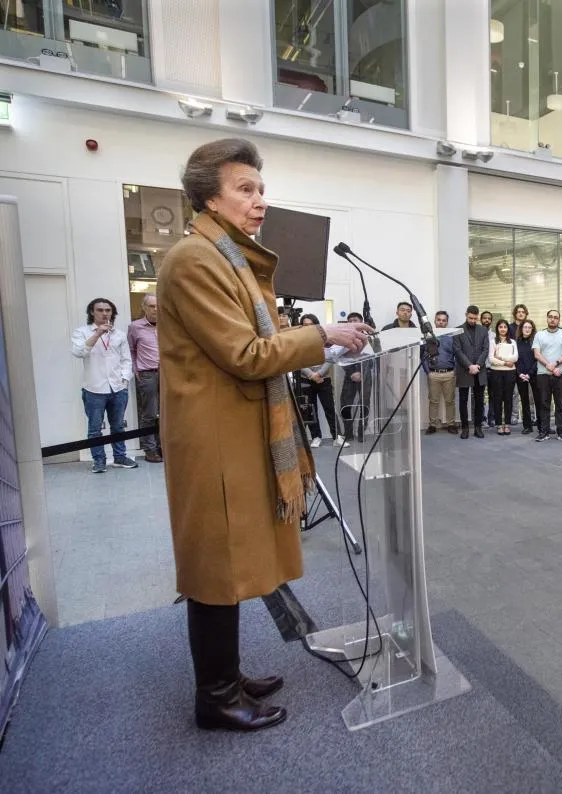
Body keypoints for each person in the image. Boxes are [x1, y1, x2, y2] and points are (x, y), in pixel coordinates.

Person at [158, 137, 370, 731]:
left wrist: (316, 344)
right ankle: (216, 697)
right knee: (214, 567)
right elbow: (247, 354)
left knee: (228, 562)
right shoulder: (196, 260)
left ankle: (225, 675)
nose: (260, 201)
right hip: (214, 440)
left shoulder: (225, 256)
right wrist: (323, 335)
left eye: (261, 189)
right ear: (210, 198)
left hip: (232, 430)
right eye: (245, 189)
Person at [72, 297, 137, 473]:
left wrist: (125, 379)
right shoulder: (82, 332)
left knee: (118, 426)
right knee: (95, 429)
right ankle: (99, 460)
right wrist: (97, 334)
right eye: (100, 310)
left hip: (118, 388)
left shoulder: (119, 335)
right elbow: (78, 352)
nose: (104, 313)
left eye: (108, 310)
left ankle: (120, 457)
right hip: (94, 388)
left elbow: (126, 359)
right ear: (92, 312)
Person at [297, 315, 345, 448]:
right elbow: (296, 360)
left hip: (323, 378)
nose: (308, 327)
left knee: (329, 408)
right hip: (306, 379)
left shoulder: (325, 338)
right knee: (310, 409)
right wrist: (311, 374)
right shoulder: (297, 341)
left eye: (310, 324)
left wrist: (318, 374)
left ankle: (337, 436)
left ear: (316, 325)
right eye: (305, 325)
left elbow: (331, 357)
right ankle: (316, 436)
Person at [127, 294, 162, 463]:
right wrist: (135, 369)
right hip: (147, 374)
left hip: (167, 375)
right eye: (151, 306)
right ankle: (150, 450)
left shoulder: (168, 325)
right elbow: (131, 350)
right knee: (149, 414)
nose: (155, 309)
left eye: (157, 305)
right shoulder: (135, 327)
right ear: (144, 308)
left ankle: (164, 448)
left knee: (167, 413)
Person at [533, 309, 562, 442]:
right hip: (543, 374)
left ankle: (561, 432)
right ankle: (544, 432)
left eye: (555, 317)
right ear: (547, 318)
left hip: (560, 374)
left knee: (560, 404)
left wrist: (555, 364)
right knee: (544, 404)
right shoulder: (539, 334)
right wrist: (548, 365)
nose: (553, 319)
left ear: (559, 320)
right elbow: (537, 354)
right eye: (550, 317)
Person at [454, 305, 489, 440]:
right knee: (463, 401)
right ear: (466, 315)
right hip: (464, 370)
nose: (473, 320)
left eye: (475, 318)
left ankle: (478, 428)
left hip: (480, 370)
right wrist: (469, 365)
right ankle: (465, 428)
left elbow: (485, 349)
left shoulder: (483, 330)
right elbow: (457, 350)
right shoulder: (458, 330)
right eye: (470, 318)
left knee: (479, 401)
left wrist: (478, 365)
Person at [339, 311, 371, 441]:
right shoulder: (344, 338)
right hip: (350, 376)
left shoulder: (370, 338)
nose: (352, 322)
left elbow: (375, 355)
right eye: (350, 321)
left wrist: (363, 372)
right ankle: (348, 433)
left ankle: (361, 433)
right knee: (345, 405)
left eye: (355, 320)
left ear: (361, 322)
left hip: (366, 375)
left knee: (365, 404)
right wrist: (352, 372)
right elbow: (341, 356)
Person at [426, 310, 457, 435]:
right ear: (435, 321)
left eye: (444, 320)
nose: (441, 322)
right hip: (433, 374)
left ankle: (451, 424)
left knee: (450, 401)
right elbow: (423, 355)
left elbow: (457, 354)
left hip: (449, 374)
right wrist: (428, 371)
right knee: (433, 401)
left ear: (447, 322)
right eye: (439, 320)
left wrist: (455, 371)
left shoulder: (452, 337)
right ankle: (432, 425)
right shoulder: (428, 337)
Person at [487, 319, 517, 436]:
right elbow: (491, 358)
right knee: (497, 398)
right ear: (497, 328)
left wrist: (500, 357)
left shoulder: (512, 342)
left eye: (505, 327)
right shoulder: (493, 341)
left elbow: (515, 358)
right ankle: (499, 424)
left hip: (510, 373)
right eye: (500, 327)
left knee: (508, 398)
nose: (503, 329)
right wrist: (505, 362)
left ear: (508, 329)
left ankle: (507, 424)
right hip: (496, 373)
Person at [515, 319, 539, 435]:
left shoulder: (536, 342)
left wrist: (529, 374)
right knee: (524, 402)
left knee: (539, 400)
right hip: (521, 376)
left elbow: (538, 359)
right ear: (521, 329)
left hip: (534, 374)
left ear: (532, 329)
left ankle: (542, 425)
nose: (527, 329)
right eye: (525, 327)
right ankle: (527, 426)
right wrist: (520, 373)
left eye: (530, 327)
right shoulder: (516, 342)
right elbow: (515, 360)